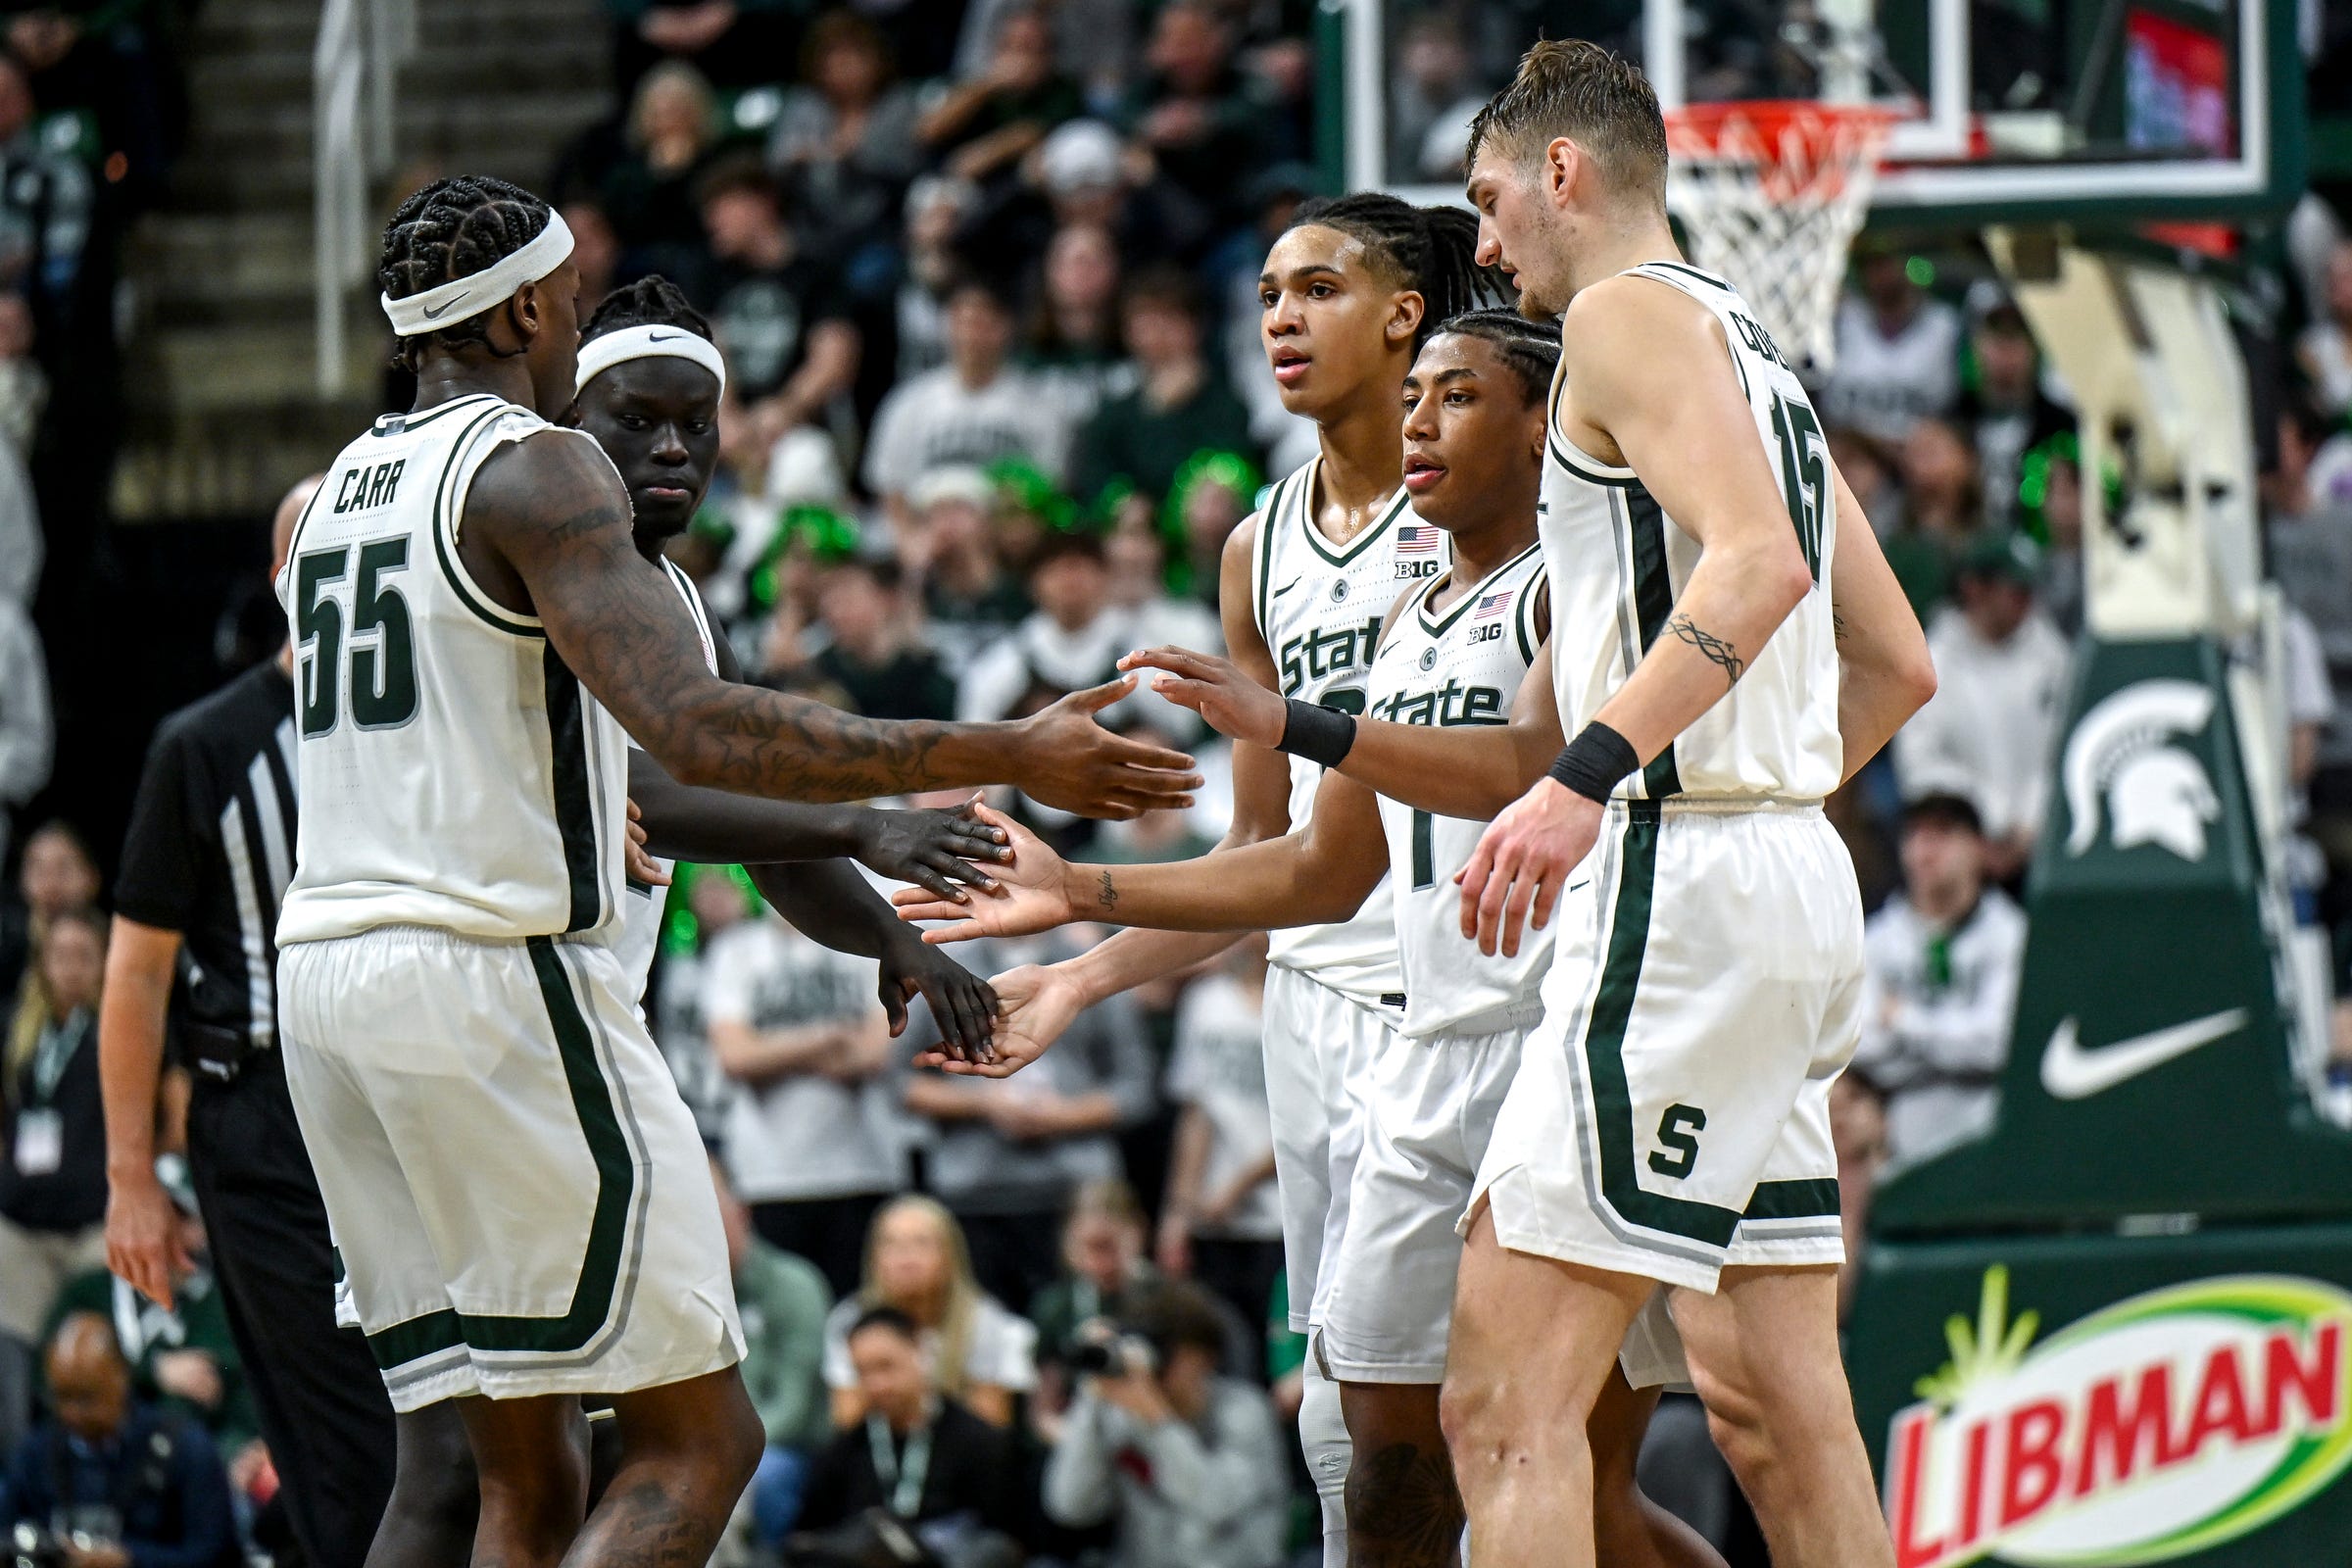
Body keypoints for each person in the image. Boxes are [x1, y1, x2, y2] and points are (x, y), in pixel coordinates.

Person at [274, 173, 1196, 1568]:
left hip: (333, 986)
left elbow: (666, 775)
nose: (660, 446)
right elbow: (689, 745)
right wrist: (988, 749)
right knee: (699, 1442)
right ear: (530, 312)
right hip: (490, 977)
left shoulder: (346, 484)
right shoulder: (533, 475)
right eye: (572, 302)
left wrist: (874, 897)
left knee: (502, 1469)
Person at [901, 315, 1725, 1568]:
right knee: (1374, 1464)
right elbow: (1318, 869)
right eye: (1419, 400)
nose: (1421, 422)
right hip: (1428, 1047)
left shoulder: (1578, 578)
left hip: (1560, 1043)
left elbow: (1527, 760)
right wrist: (1076, 892)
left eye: (1457, 397)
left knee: (1568, 1480)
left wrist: (1304, 724)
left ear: (1541, 426)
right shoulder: (1406, 621)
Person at [898, 190, 1505, 1568]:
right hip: (1314, 1010)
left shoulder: (1487, 505)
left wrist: (1087, 906)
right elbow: (1263, 857)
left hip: (1470, 997)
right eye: (1270, 296)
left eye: (1319, 291)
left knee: (1485, 1444)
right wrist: (1079, 968)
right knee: (1356, 1441)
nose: (1282, 320)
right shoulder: (1259, 547)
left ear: (1408, 315)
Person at [1445, 41, 1936, 1565]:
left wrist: (1597, 778)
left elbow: (1757, 569)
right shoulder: (1758, 351)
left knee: (1505, 1400)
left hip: (1685, 882)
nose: (1481, 241)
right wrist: (1762, 804)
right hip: (1787, 886)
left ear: (1563, 173)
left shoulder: (1620, 318)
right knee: (1783, 1412)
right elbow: (1898, 666)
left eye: (1488, 199)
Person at [96, 475, 413, 1568]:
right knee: (346, 1446)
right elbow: (134, 974)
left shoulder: (430, 722)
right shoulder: (205, 746)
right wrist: (132, 1177)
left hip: (414, 1093)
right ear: (286, 582)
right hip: (266, 1117)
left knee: (461, 1428)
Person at [702, 897, 906, 1299]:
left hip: (861, 1170)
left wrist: (773, 1055)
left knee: (860, 1311)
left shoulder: (865, 942)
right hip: (768, 1176)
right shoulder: (736, 949)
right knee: (786, 1305)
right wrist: (825, 1038)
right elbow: (735, 1056)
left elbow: (877, 1052)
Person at [1040, 1280, 1290, 1568]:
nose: (1156, 1372)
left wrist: (1160, 1421)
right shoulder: (1123, 1414)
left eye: (1166, 1353)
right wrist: (1094, 1393)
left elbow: (1215, 1503)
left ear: (1206, 1357)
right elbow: (1070, 1505)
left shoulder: (1244, 1411)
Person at [1853, 793, 2027, 1173]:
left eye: (1943, 835)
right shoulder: (1876, 938)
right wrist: (1955, 1050)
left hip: (1992, 1129)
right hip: (1899, 1134)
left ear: (1979, 848)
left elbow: (1999, 1044)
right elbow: (1863, 1048)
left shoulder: (2011, 934)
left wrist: (1904, 1022)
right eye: (1915, 836)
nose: (1925, 851)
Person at [1893, 532, 2069, 884]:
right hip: (1961, 844)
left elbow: (2062, 751)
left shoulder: (2052, 655)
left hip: (2045, 842)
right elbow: (1920, 763)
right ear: (1975, 588)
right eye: (2015, 591)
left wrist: (2029, 825)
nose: (2027, 602)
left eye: (2029, 591)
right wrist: (1986, 819)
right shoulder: (1934, 660)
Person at [4, 1312, 238, 1568]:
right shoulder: (36, 1453)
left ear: (121, 1378)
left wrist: (130, 1560)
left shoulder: (185, 1449)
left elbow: (214, 1555)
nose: (71, 1413)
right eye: (61, 1397)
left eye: (85, 1398)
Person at [0, 906, 106, 1454]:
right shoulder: (21, 1036)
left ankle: (94, 1466)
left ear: (104, 964)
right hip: (23, 1224)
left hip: (93, 1223)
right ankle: (18, 1467)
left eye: (83, 957)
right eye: (58, 956)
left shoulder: (118, 1034)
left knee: (89, 1343)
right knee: (8, 1338)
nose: (69, 969)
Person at [865, 276, 1079, 531]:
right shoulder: (909, 403)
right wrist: (911, 543)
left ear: (1005, 328)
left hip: (1004, 535)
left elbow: (1050, 487)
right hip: (928, 531)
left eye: (982, 323)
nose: (971, 335)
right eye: (962, 322)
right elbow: (891, 490)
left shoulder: (1040, 406)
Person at [795, 1306, 1025, 1540]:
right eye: (863, 1372)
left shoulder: (980, 1444)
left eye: (886, 1366)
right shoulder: (843, 1453)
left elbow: (1004, 1538)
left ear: (921, 1352)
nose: (877, 1384)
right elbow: (807, 1537)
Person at [822, 1196, 1038, 1429]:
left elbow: (991, 1427)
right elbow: (847, 1423)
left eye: (921, 1243)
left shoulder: (983, 1322)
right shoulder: (849, 1321)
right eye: (891, 1244)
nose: (906, 1258)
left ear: (950, 1255)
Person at [1157, 940, 1281, 1336]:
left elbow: (1313, 1124)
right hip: (1212, 1216)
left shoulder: (1302, 1001)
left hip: (1281, 1212)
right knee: (1216, 1339)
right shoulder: (1206, 1002)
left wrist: (1238, 1186)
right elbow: (1197, 1110)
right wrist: (1178, 1211)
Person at [711, 1156, 833, 1546]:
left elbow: (793, 1408)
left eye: (712, 1215)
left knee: (761, 1475)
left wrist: (726, 1453)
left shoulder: (794, 1285)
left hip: (784, 1448)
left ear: (741, 1213)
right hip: (708, 1445)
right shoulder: (681, 1295)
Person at [1071, 266, 1259, 513]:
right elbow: (1093, 480)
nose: (1157, 335)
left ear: (1195, 327)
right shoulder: (1116, 411)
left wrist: (1172, 412)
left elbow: (1238, 471)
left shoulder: (1226, 404)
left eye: (1169, 319)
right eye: (1145, 321)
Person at [1818, 240, 1962, 444]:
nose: (1882, 273)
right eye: (1874, 264)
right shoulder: (1843, 317)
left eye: (1888, 261)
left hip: (1919, 458)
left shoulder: (1945, 324)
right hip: (1851, 455)